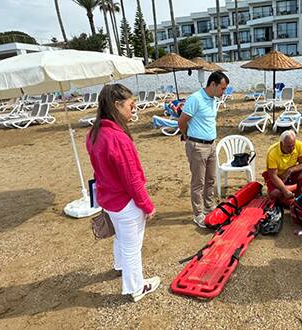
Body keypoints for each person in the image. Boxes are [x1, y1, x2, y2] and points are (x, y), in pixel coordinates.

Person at [86, 84, 160, 302]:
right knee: (132, 247)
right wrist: (147, 205)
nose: (133, 110)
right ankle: (137, 288)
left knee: (120, 237)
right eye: (130, 105)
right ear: (117, 105)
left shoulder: (94, 132)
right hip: (124, 201)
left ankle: (120, 266)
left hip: (108, 198)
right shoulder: (117, 138)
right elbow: (132, 180)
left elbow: (100, 168)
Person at [178, 71, 229, 228]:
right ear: (213, 84)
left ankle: (209, 206)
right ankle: (198, 214)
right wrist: (187, 135)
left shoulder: (213, 99)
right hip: (197, 146)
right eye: (222, 88)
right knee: (198, 182)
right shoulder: (195, 99)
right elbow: (182, 121)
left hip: (211, 145)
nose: (223, 92)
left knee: (210, 179)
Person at [263, 130, 302, 206]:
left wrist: (290, 170)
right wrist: (284, 190)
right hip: (278, 176)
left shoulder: (299, 145)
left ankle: (297, 198)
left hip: (290, 174)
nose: (291, 149)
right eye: (288, 146)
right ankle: (289, 195)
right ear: (282, 143)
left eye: (293, 146)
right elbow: (273, 175)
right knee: (275, 193)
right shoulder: (272, 152)